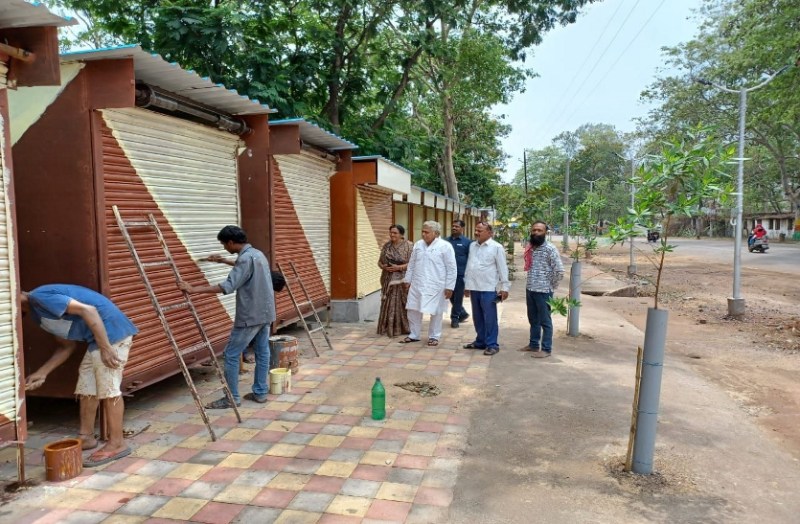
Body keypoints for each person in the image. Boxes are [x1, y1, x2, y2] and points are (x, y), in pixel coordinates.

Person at [21, 284, 138, 467]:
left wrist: (106, 348)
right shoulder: (37, 315)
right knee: (86, 386)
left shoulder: (40, 297)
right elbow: (66, 346)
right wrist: (41, 373)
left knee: (108, 388)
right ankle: (87, 437)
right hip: (96, 341)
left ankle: (117, 443)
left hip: (111, 334)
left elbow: (89, 310)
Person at [179, 225, 275, 407]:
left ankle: (231, 398)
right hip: (266, 312)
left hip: (250, 316)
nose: (224, 248)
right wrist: (224, 261)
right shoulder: (257, 254)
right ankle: (260, 393)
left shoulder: (246, 259)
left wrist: (193, 289)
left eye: (224, 245)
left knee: (231, 354)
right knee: (263, 352)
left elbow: (226, 287)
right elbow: (246, 268)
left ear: (231, 242)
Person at [402, 221, 457, 347]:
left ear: (436, 233)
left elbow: (452, 268)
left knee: (436, 312)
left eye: (426, 232)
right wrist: (407, 280)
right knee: (413, 309)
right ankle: (414, 335)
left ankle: (434, 336)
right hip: (417, 283)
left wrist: (450, 286)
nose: (423, 234)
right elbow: (411, 264)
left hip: (436, 285)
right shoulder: (418, 245)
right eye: (422, 231)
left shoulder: (445, 246)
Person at [462, 222, 510, 356]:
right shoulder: (472, 245)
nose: (476, 232)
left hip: (489, 288)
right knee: (477, 317)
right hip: (474, 287)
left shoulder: (496, 247)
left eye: (480, 230)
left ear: (490, 233)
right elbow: (469, 265)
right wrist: (467, 285)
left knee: (490, 318)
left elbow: (502, 268)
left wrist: (504, 288)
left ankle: (492, 344)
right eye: (476, 230)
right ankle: (480, 341)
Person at [522, 221, 564, 358]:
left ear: (545, 232)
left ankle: (546, 349)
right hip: (530, 289)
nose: (536, 233)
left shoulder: (550, 249)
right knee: (533, 319)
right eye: (534, 230)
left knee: (545, 321)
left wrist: (551, 286)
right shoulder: (531, 248)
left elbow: (559, 271)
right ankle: (534, 345)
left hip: (544, 291)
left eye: (539, 230)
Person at [377, 224, 414, 337]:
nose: (392, 235)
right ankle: (387, 327)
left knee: (401, 303)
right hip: (388, 279)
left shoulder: (409, 246)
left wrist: (399, 268)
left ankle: (403, 327)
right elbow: (379, 262)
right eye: (391, 232)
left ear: (401, 234)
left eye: (395, 233)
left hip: (403, 280)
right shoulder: (387, 246)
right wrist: (383, 267)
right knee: (387, 303)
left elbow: (413, 263)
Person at [445, 220, 472, 328]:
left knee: (458, 297)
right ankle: (463, 313)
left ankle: (455, 318)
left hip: (460, 274)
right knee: (450, 295)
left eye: (457, 226)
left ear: (462, 228)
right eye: (453, 226)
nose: (454, 228)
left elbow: (470, 259)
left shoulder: (467, 242)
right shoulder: (446, 241)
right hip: (447, 274)